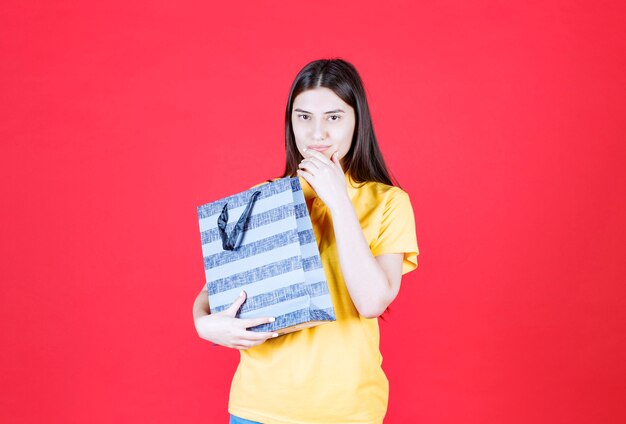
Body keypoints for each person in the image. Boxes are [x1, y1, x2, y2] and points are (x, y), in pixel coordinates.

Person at [192, 58, 420, 424]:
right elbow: (213, 295)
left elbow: (372, 301)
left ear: (356, 121)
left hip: (347, 411)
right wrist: (204, 325)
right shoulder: (261, 197)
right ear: (290, 123)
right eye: (304, 117)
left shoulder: (388, 202)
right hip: (259, 407)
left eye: (333, 117)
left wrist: (338, 201)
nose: (317, 134)